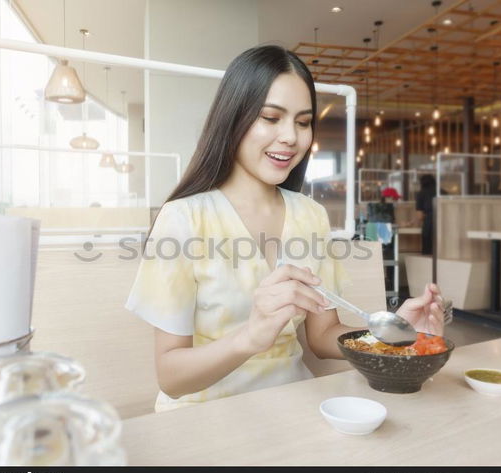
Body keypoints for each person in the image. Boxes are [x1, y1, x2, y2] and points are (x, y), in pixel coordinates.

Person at [125, 45, 445, 412]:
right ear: (233, 118)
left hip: (293, 405)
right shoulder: (183, 218)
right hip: (205, 416)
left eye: (303, 122)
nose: (291, 137)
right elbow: (171, 377)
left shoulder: (310, 215)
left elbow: (323, 335)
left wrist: (390, 336)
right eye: (271, 117)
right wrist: (250, 337)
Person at [414, 174, 438, 255]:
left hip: (429, 225)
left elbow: (420, 216)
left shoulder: (421, 194)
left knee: (428, 252)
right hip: (444, 226)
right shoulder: (443, 192)